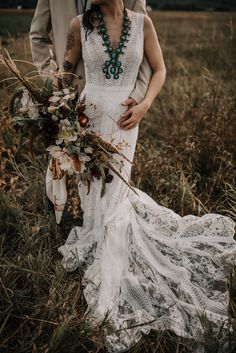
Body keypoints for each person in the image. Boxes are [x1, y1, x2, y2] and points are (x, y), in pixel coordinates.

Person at [48, 1, 236, 352]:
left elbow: (160, 70)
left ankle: (110, 251)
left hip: (125, 120)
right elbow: (66, 70)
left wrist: (145, 104)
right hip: (88, 117)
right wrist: (57, 107)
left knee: (116, 191)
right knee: (91, 189)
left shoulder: (143, 24)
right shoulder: (79, 25)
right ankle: (94, 232)